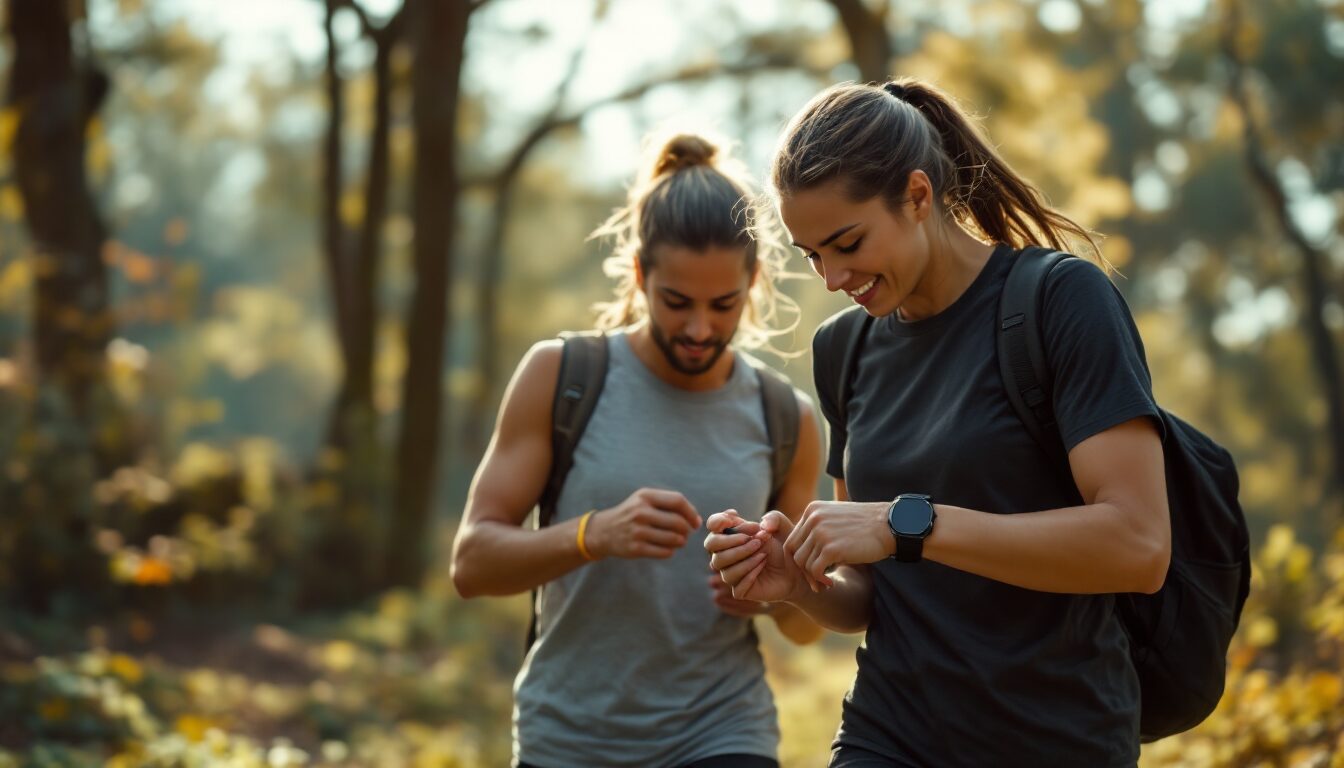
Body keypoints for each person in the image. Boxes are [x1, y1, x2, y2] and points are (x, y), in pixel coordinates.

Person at [706, 78, 1171, 767]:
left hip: (1057, 736)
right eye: (813, 256)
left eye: (847, 242)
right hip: (891, 731)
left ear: (918, 196)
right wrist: (800, 582)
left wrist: (906, 523)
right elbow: (869, 595)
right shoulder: (845, 349)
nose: (832, 278)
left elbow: (1138, 546)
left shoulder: (1061, 301)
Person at [451, 132, 825, 768]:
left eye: (723, 304)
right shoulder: (561, 377)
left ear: (754, 281)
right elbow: (472, 563)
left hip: (722, 731)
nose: (700, 328)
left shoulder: (788, 418)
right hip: (570, 739)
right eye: (676, 302)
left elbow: (807, 626)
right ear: (639, 273)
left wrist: (777, 592)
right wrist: (592, 534)